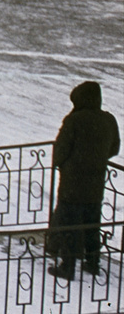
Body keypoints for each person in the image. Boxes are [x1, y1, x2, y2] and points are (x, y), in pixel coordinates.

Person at [50, 79, 120, 281]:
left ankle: (68, 266)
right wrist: (96, 159)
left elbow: (61, 150)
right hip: (96, 182)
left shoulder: (74, 120)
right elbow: (114, 148)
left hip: (72, 184)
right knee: (92, 225)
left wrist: (64, 164)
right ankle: (92, 262)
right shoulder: (108, 120)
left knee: (70, 225)